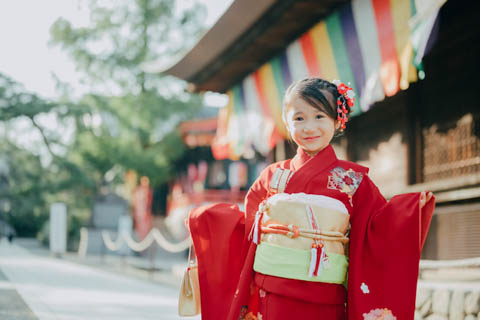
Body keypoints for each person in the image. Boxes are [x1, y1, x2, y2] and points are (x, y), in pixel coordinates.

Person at [187, 77, 435, 320]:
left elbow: (378, 227)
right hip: (272, 293)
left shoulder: (353, 180)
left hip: (325, 297)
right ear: (287, 122)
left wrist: (410, 209)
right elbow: (248, 230)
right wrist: (210, 220)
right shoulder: (271, 176)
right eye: (299, 118)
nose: (309, 127)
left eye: (319, 116)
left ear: (338, 121)